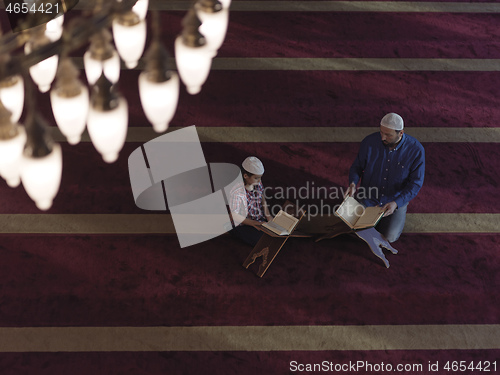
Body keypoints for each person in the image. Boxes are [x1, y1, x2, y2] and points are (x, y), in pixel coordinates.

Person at [346, 113, 425, 243]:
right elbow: (357, 166)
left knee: (389, 237)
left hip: (394, 201)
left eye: (388, 135)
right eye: (381, 132)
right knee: (350, 227)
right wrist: (353, 184)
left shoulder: (416, 150)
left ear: (401, 133)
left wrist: (397, 203)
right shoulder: (369, 141)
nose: (382, 137)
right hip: (368, 197)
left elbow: (415, 184)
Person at [229, 156, 272, 246]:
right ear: (245, 176)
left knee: (273, 232)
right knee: (261, 241)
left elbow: (262, 197)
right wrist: (255, 224)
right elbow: (235, 216)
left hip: (257, 218)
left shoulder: (257, 183)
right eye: (256, 178)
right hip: (244, 223)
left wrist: (268, 216)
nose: (260, 181)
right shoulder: (237, 191)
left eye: (260, 178)